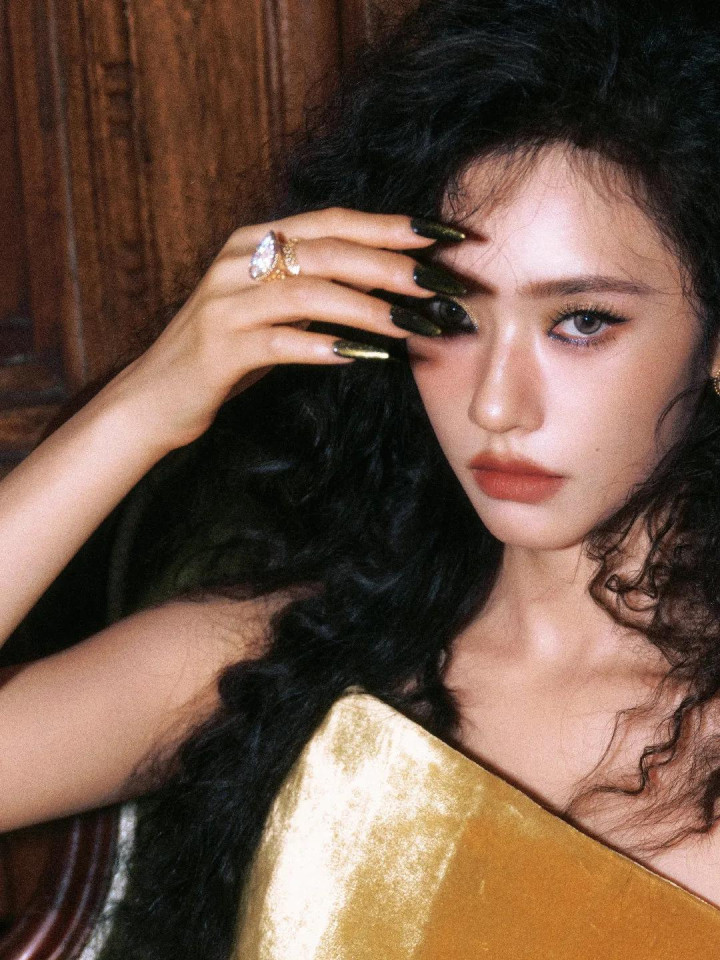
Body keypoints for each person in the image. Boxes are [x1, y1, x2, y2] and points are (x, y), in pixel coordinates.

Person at [3, 0, 720, 955]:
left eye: (581, 321)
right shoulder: (281, 661)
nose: (496, 405)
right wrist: (144, 406)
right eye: (450, 317)